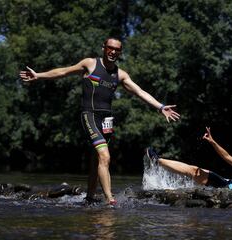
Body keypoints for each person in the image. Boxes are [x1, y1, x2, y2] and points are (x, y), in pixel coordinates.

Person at [20, 37, 180, 205]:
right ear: (104, 48)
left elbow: (140, 92)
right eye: (110, 48)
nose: (113, 52)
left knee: (96, 159)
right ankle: (110, 199)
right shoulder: (90, 64)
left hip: (107, 120)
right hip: (89, 115)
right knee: (104, 156)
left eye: (117, 50)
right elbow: (63, 72)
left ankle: (89, 197)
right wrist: (38, 75)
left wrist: (160, 107)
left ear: (120, 52)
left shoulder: (120, 74)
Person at [146, 127, 232, 189]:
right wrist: (212, 141)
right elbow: (226, 156)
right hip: (222, 185)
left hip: (231, 202)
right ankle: (157, 161)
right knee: (195, 170)